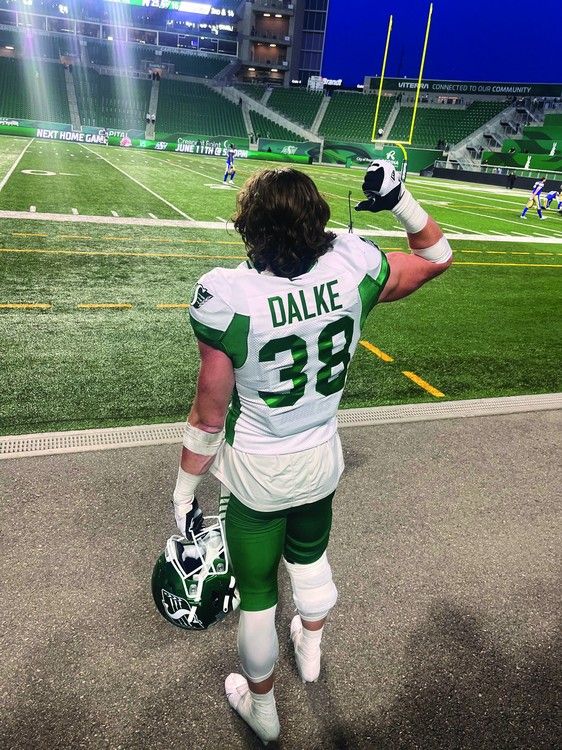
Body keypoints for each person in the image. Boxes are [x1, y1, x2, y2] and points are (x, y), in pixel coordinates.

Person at [172, 162, 453, 745]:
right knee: (310, 558)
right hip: (321, 454)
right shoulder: (353, 268)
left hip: (256, 469)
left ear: (248, 229)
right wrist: (401, 201)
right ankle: (311, 647)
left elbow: (209, 412)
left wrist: (183, 489)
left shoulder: (229, 296)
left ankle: (264, 710)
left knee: (256, 596)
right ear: (320, 224)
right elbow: (437, 256)